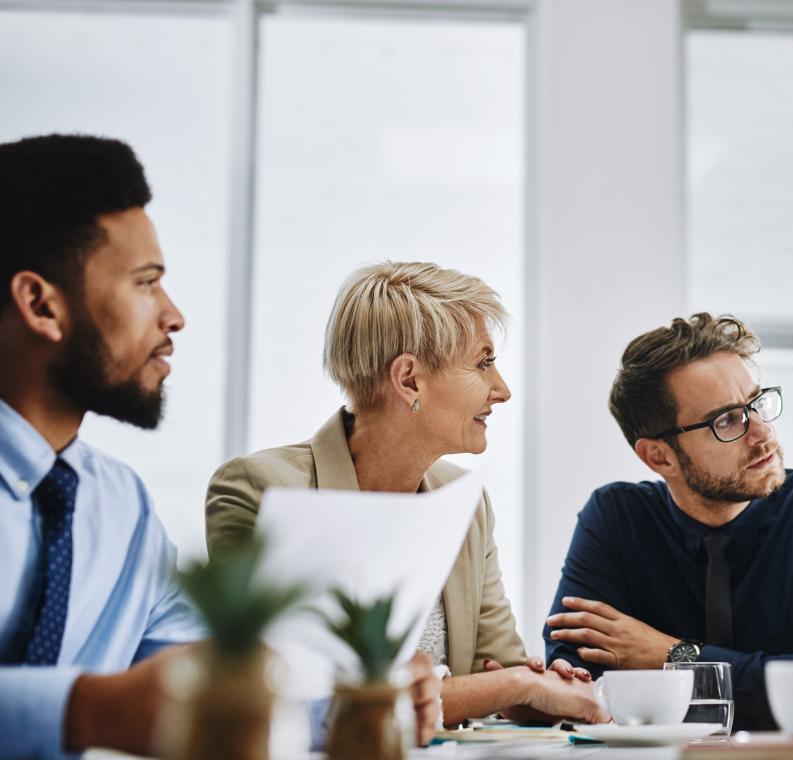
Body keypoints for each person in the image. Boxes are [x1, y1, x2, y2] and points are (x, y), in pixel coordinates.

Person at [0, 134, 436, 757]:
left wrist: (355, 700)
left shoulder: (119, 506)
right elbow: (116, 707)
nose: (174, 316)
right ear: (42, 305)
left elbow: (205, 677)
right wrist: (87, 712)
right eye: (146, 283)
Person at [206, 261, 605, 726]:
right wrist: (511, 686)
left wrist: (534, 692)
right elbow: (289, 695)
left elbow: (498, 667)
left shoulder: (465, 500)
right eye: (483, 363)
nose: (503, 390)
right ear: (409, 379)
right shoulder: (261, 489)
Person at [543, 313, 793, 731]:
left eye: (757, 403)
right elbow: (576, 680)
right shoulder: (617, 518)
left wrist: (673, 657)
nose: (762, 432)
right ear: (659, 456)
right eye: (727, 420)